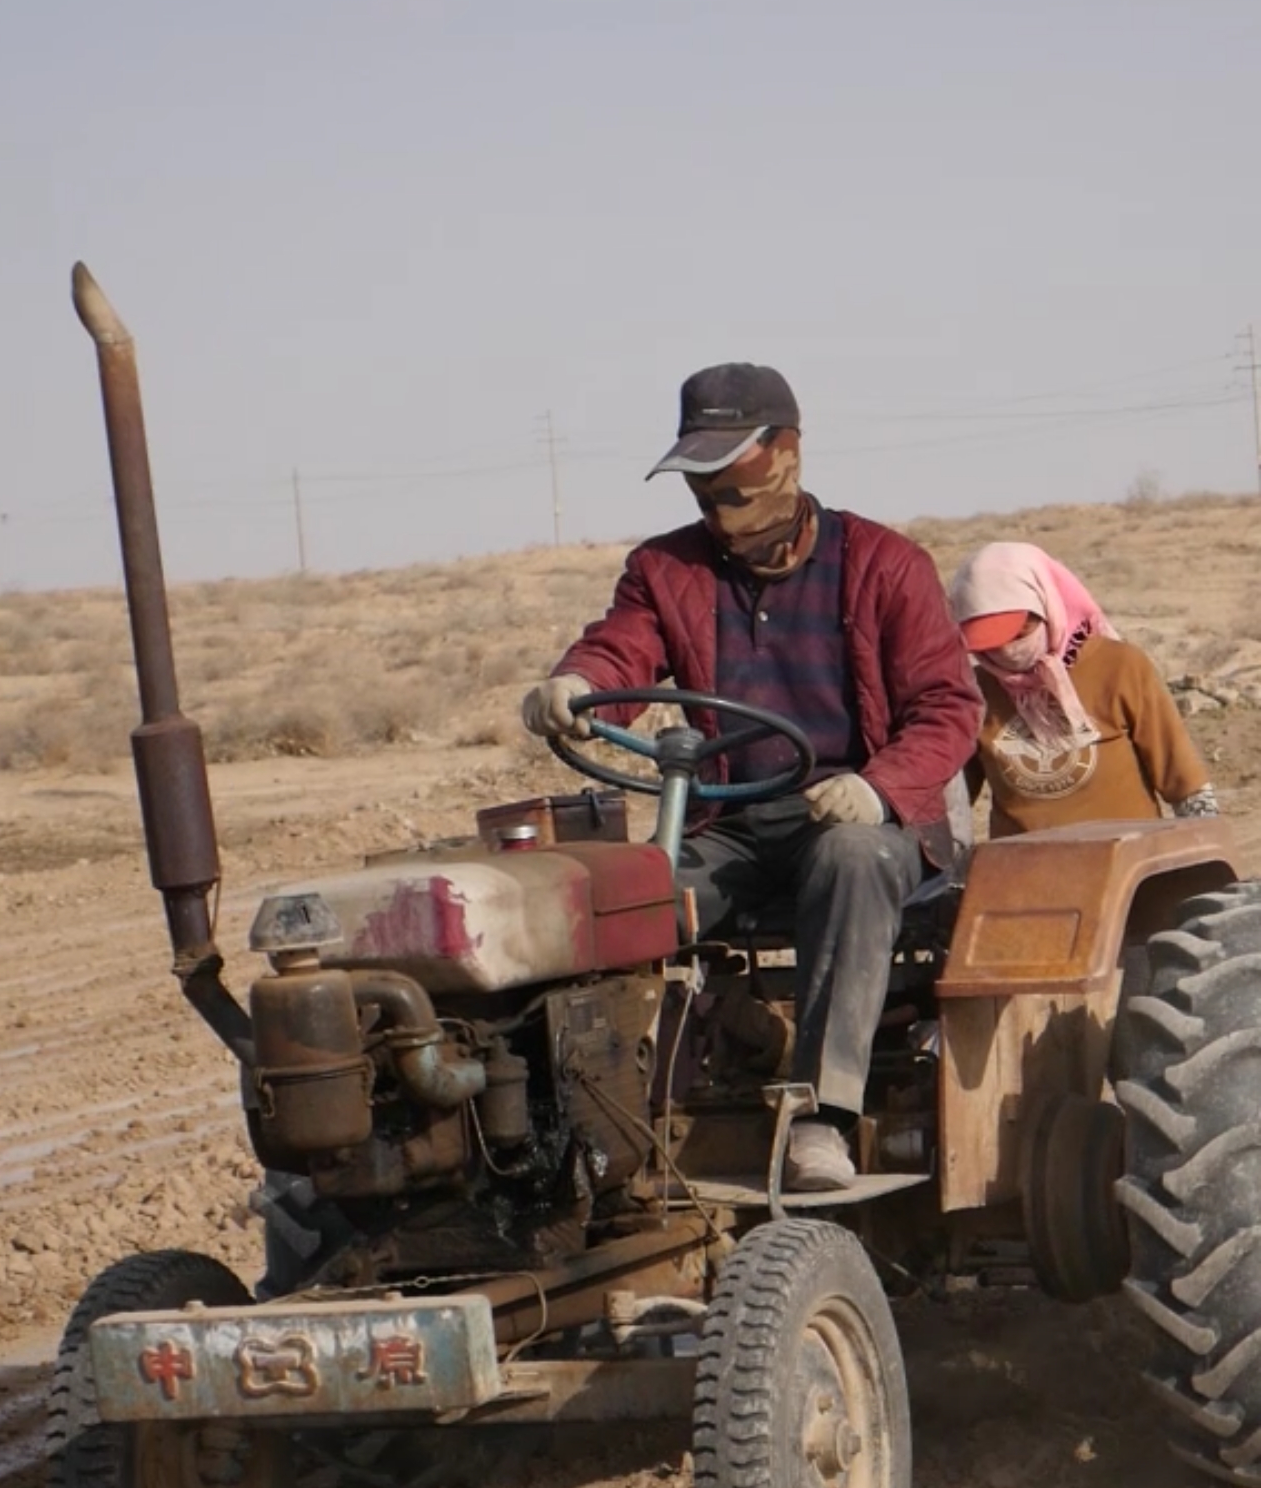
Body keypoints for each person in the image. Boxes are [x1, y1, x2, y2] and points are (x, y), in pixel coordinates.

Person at [521, 362, 982, 1191]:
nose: (713, 496)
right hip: (731, 821)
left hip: (857, 817)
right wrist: (578, 684)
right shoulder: (667, 571)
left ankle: (822, 1117)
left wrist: (877, 788)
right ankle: (602, 1125)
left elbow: (949, 708)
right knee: (622, 890)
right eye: (699, 476)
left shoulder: (885, 563)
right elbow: (622, 644)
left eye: (730, 472)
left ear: (788, 455)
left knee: (851, 858)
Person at [948, 541, 1218, 836]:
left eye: (1018, 633)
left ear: (1046, 607)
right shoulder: (974, 690)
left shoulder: (1120, 667)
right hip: (1020, 870)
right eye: (988, 644)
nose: (1006, 651)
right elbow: (951, 803)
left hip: (1127, 863)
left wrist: (1205, 848)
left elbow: (1183, 779)